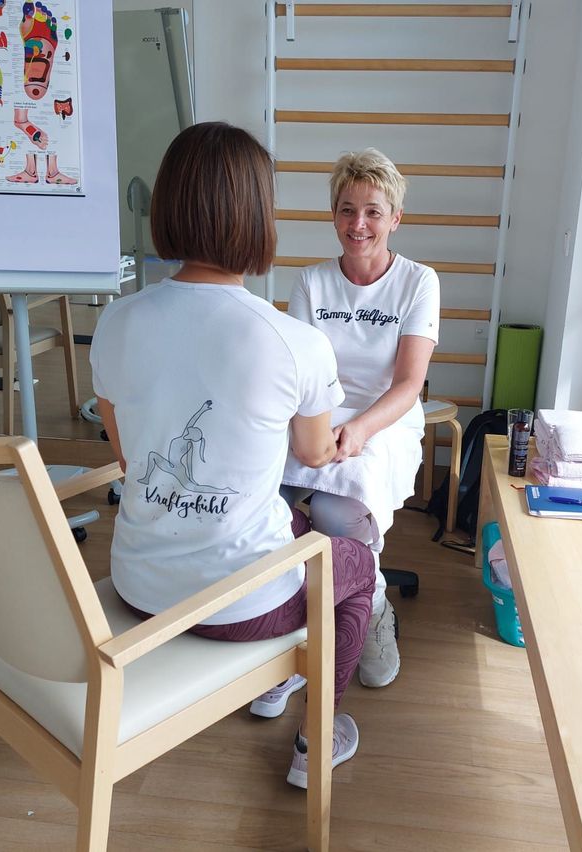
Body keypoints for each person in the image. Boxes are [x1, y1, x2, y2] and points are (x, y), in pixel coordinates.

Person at [89, 122, 376, 789]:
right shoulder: (293, 341)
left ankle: (275, 685)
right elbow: (313, 452)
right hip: (237, 608)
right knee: (358, 568)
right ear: (257, 217)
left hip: (138, 585)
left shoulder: (116, 321)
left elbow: (129, 458)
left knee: (293, 524)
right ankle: (314, 739)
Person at [279, 148, 440, 689]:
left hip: (386, 417)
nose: (358, 224)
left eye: (373, 211)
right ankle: (288, 625)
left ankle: (368, 609)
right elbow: (300, 377)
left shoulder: (419, 281)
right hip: (317, 411)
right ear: (333, 215)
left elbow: (408, 385)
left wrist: (359, 430)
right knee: (263, 499)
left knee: (335, 511)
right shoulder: (311, 282)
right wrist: (313, 429)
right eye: (347, 210)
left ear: (395, 218)